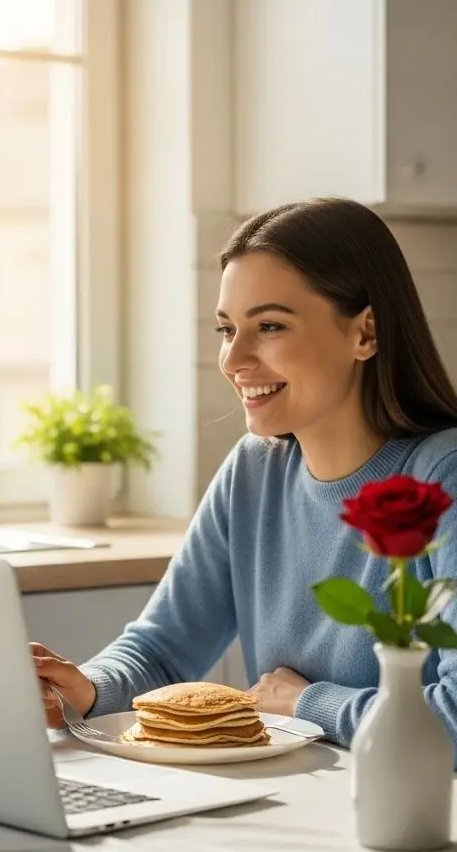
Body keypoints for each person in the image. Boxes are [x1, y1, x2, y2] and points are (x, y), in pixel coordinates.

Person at [33, 197, 457, 756]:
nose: (234, 360)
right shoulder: (254, 471)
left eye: (270, 326)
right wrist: (83, 690)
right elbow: (163, 650)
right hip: (299, 794)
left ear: (366, 332)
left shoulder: (445, 476)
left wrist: (309, 705)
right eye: (227, 329)